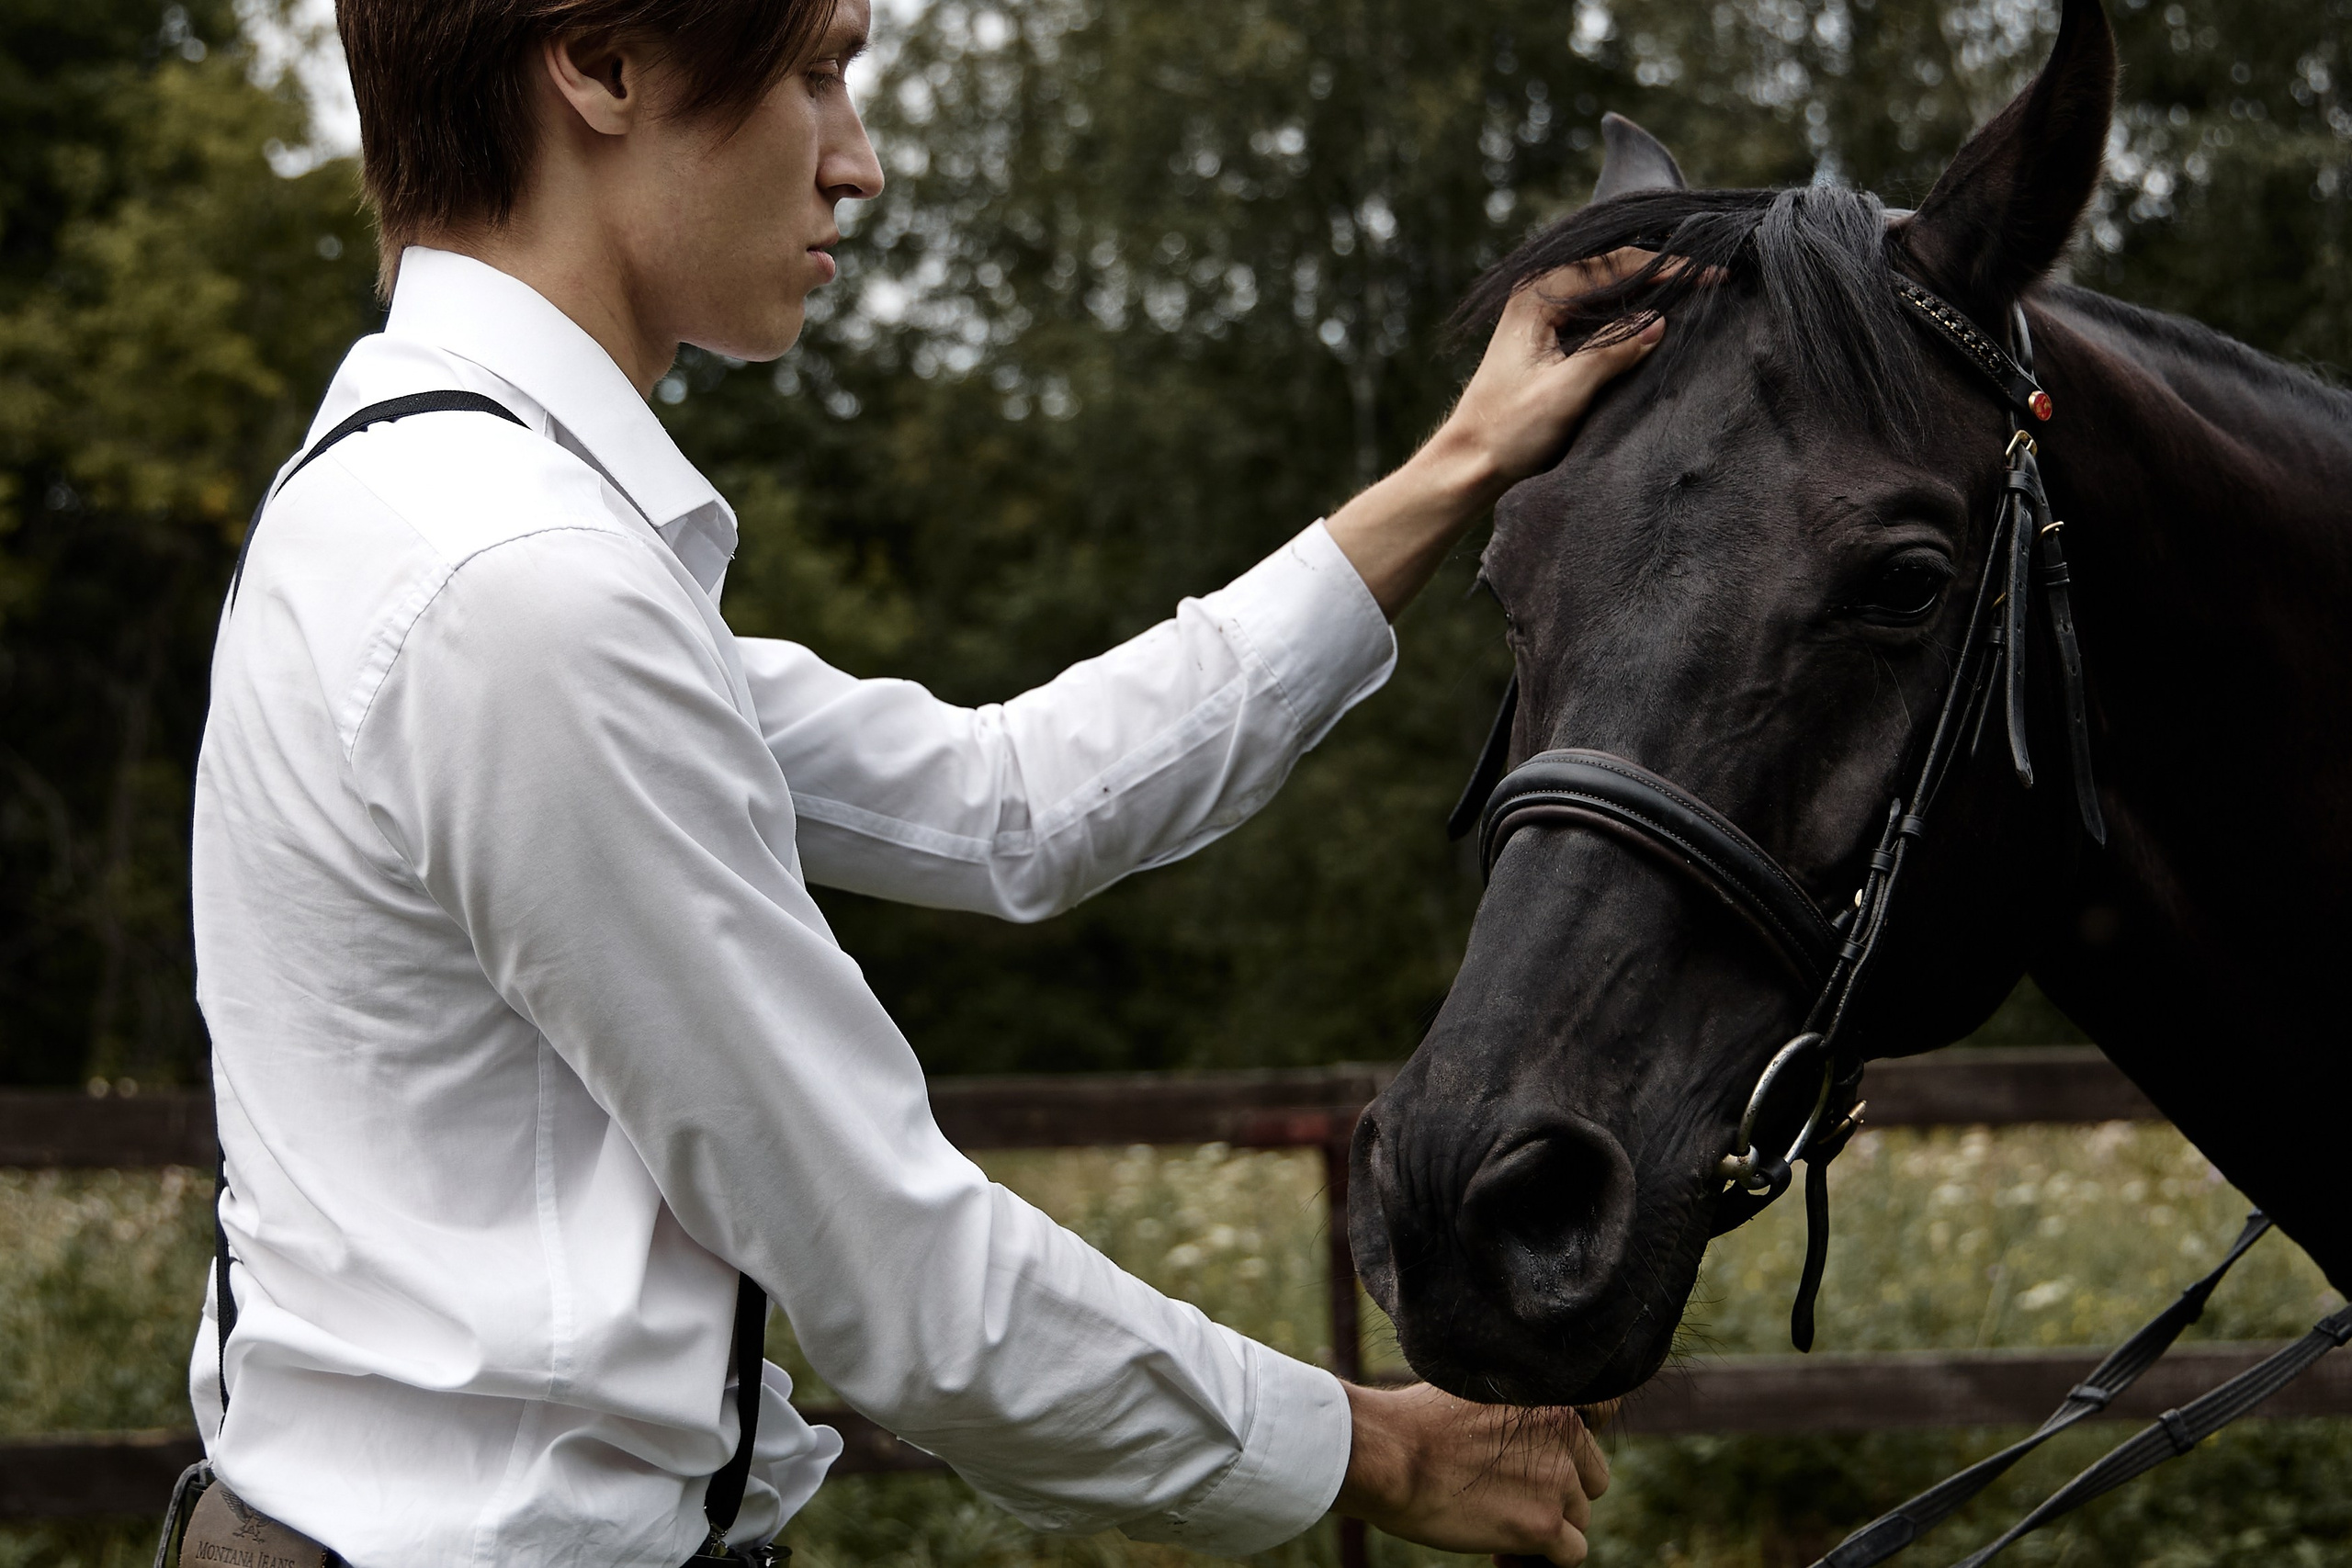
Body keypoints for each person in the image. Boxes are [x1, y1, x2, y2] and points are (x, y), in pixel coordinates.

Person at [188, 0, 1668, 1562]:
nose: (860, 165)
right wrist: (1366, 1449)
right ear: (605, 65)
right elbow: (883, 1258)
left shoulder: (413, 506)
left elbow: (1006, 799)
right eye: (815, 72)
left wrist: (1461, 461)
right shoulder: (519, 594)